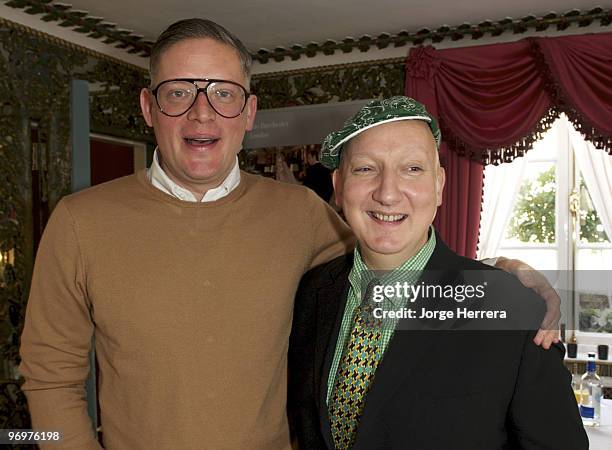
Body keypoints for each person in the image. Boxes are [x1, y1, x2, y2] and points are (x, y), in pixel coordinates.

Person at [19, 19, 560, 450]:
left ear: (249, 111)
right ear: (147, 107)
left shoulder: (297, 212)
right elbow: (48, 379)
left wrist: (506, 276)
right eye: (179, 91)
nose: (202, 112)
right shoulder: (79, 221)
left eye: (224, 94)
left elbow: (396, 248)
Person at [288, 96, 587, 450]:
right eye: (365, 168)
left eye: (412, 169)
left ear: (440, 186)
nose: (387, 193)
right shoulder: (313, 291)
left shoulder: (510, 307)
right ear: (338, 186)